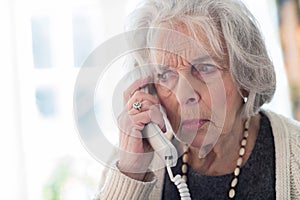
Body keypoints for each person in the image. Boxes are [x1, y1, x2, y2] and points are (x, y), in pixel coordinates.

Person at [94, 0, 300, 199]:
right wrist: (132, 174)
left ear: (245, 76)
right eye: (165, 75)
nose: (185, 96)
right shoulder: (130, 160)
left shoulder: (294, 153)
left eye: (205, 68)